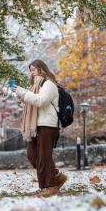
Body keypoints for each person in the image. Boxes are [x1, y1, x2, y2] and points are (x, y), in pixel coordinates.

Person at [13, 59, 67, 197]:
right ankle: (55, 176)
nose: (32, 73)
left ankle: (48, 187)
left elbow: (41, 101)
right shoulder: (34, 87)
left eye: (34, 70)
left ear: (41, 69)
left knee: (44, 156)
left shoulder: (49, 84)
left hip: (47, 125)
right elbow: (31, 103)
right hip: (34, 125)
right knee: (32, 155)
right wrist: (22, 95)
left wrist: (24, 93)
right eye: (30, 70)